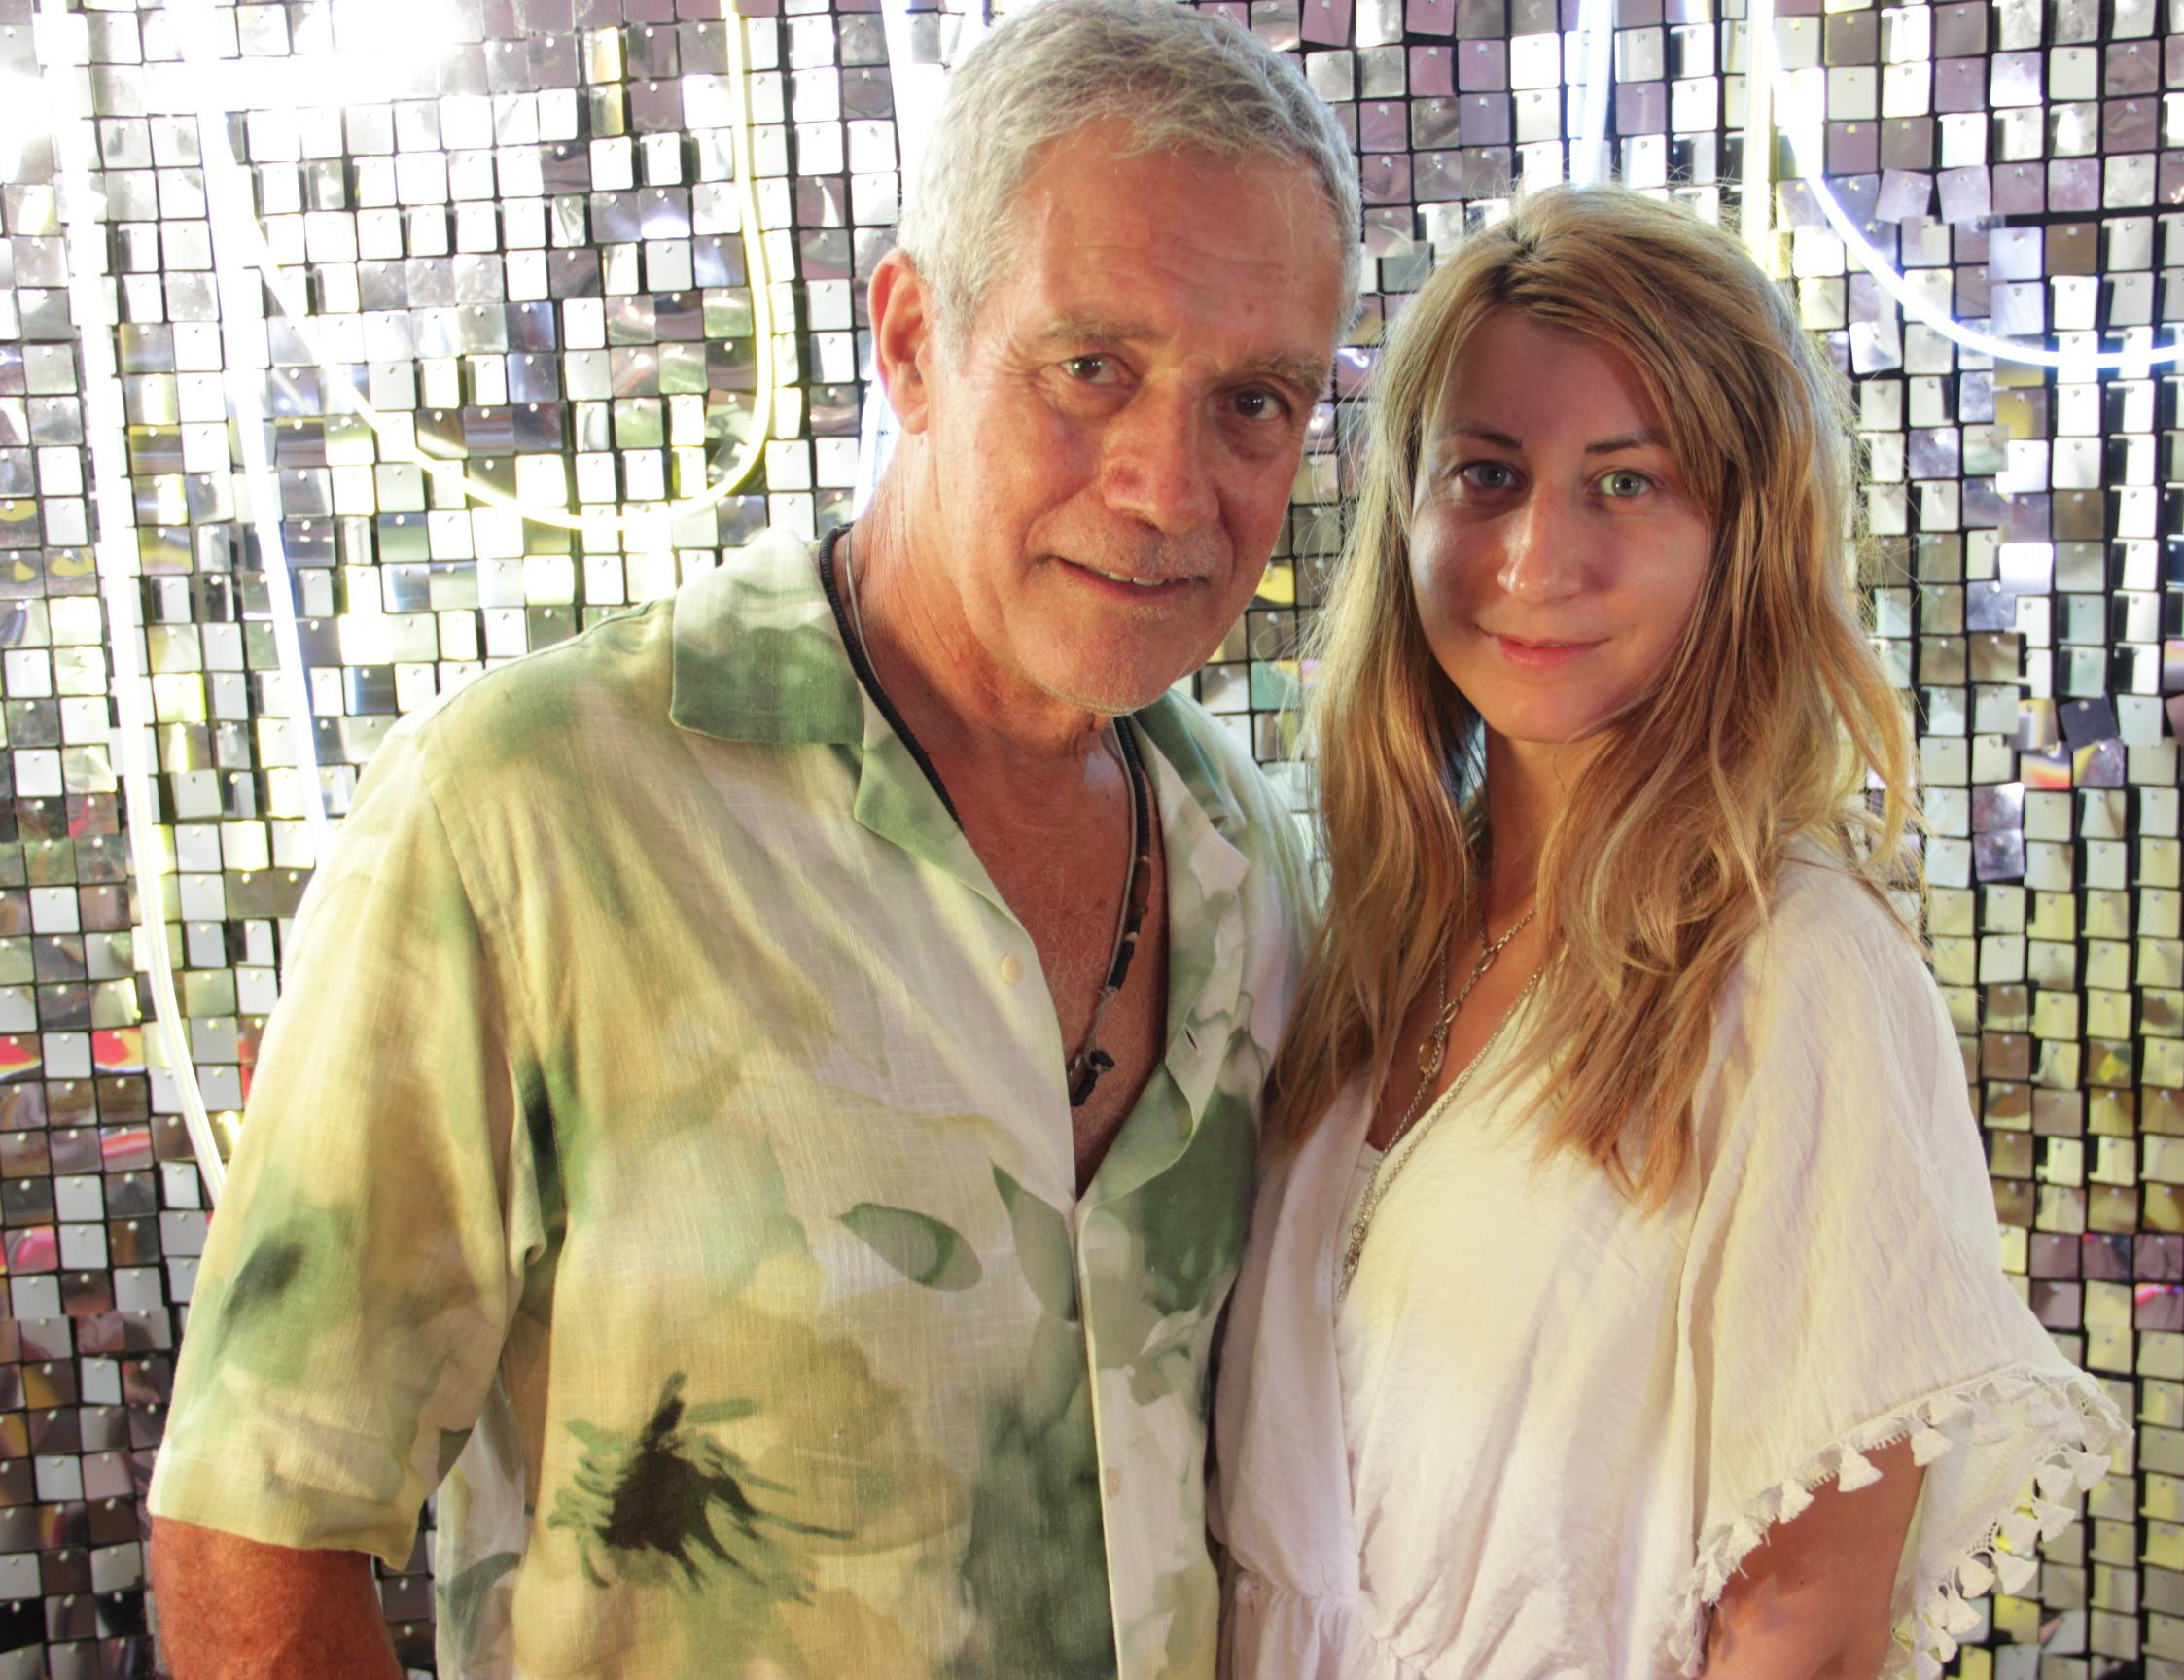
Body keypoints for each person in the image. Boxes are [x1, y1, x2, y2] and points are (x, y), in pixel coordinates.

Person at [145, 2, 1358, 1675]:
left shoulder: (1250, 861)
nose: (1169, 486)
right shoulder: (532, 812)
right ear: (913, 342)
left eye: (1255, 403)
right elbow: (256, 1532)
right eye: (1091, 369)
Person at [1212, 183, 2131, 1680]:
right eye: (1488, 473)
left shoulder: (1795, 975)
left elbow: (1809, 1632)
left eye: (1627, 483)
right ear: (1408, 509)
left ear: (1741, 537)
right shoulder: (1373, 932)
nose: (1536, 560)